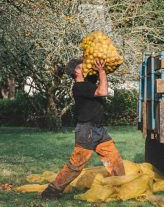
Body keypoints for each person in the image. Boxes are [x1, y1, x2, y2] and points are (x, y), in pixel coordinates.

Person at [41, 58, 125, 199]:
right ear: (76, 71)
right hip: (87, 130)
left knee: (114, 158)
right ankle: (52, 191)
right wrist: (102, 71)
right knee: (76, 164)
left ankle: (122, 185)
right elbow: (103, 91)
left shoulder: (87, 83)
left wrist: (101, 69)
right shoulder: (80, 87)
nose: (86, 66)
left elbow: (97, 75)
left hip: (98, 129)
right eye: (82, 66)